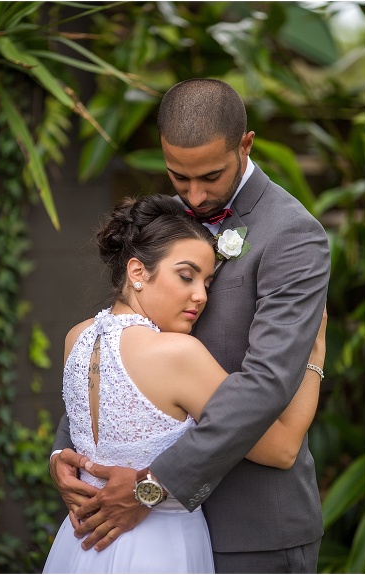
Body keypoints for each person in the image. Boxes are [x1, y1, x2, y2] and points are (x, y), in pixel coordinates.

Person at [50, 79, 331, 573]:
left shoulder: (294, 236)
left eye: (210, 177)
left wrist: (151, 486)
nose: (195, 196)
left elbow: (265, 383)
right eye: (179, 177)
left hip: (251, 529)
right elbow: (116, 341)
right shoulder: (170, 220)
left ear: (245, 145)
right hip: (138, 531)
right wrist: (69, 450)